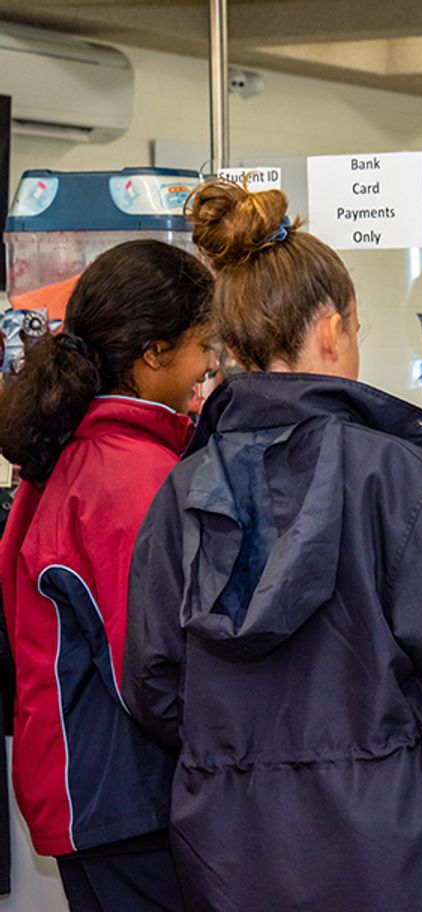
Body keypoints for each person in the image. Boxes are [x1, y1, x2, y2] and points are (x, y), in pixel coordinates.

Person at [121, 181, 422, 912]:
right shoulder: (397, 481)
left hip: (230, 854)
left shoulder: (181, 493)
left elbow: (155, 690)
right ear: (333, 328)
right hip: (391, 850)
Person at [0, 240, 215, 911]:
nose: (210, 364)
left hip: (94, 792)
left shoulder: (86, 452)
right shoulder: (129, 479)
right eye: (202, 344)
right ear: (153, 352)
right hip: (123, 799)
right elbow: (148, 672)